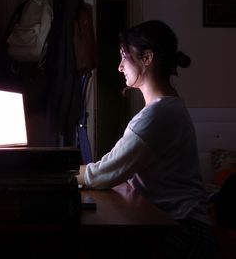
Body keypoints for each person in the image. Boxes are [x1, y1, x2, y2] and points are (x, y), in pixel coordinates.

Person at [77, 20, 217, 259]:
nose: (120, 66)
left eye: (124, 56)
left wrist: (62, 174)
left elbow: (102, 174)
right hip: (178, 222)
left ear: (147, 58)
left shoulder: (159, 114)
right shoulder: (165, 108)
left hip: (184, 229)